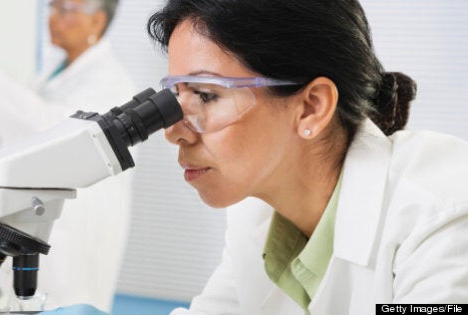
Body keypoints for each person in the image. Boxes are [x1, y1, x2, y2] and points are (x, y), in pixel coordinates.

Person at [39, 0, 468, 314]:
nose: (172, 132)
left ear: (311, 107)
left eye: (206, 95)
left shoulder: (442, 212)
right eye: (177, 98)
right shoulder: (258, 220)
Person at [0, 0, 136, 312]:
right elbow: (32, 133)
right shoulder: (54, 71)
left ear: (97, 22)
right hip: (40, 212)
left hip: (79, 221)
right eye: (52, 7)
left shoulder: (110, 81)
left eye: (66, 10)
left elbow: (61, 135)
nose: (52, 18)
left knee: (67, 300)